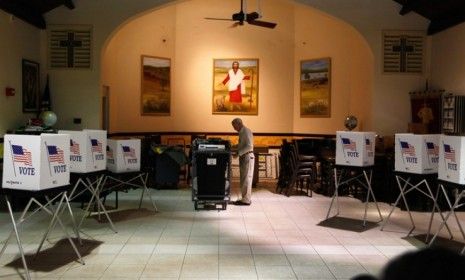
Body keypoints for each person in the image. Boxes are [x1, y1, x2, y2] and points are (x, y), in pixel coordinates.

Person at [231, 118, 254, 206]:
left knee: (247, 179)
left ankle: (246, 200)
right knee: (244, 179)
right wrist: (233, 147)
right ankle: (245, 198)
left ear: (239, 124)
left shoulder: (246, 131)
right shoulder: (242, 132)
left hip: (247, 156)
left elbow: (249, 146)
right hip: (244, 156)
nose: (234, 128)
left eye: (234, 126)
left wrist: (238, 153)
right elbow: (242, 145)